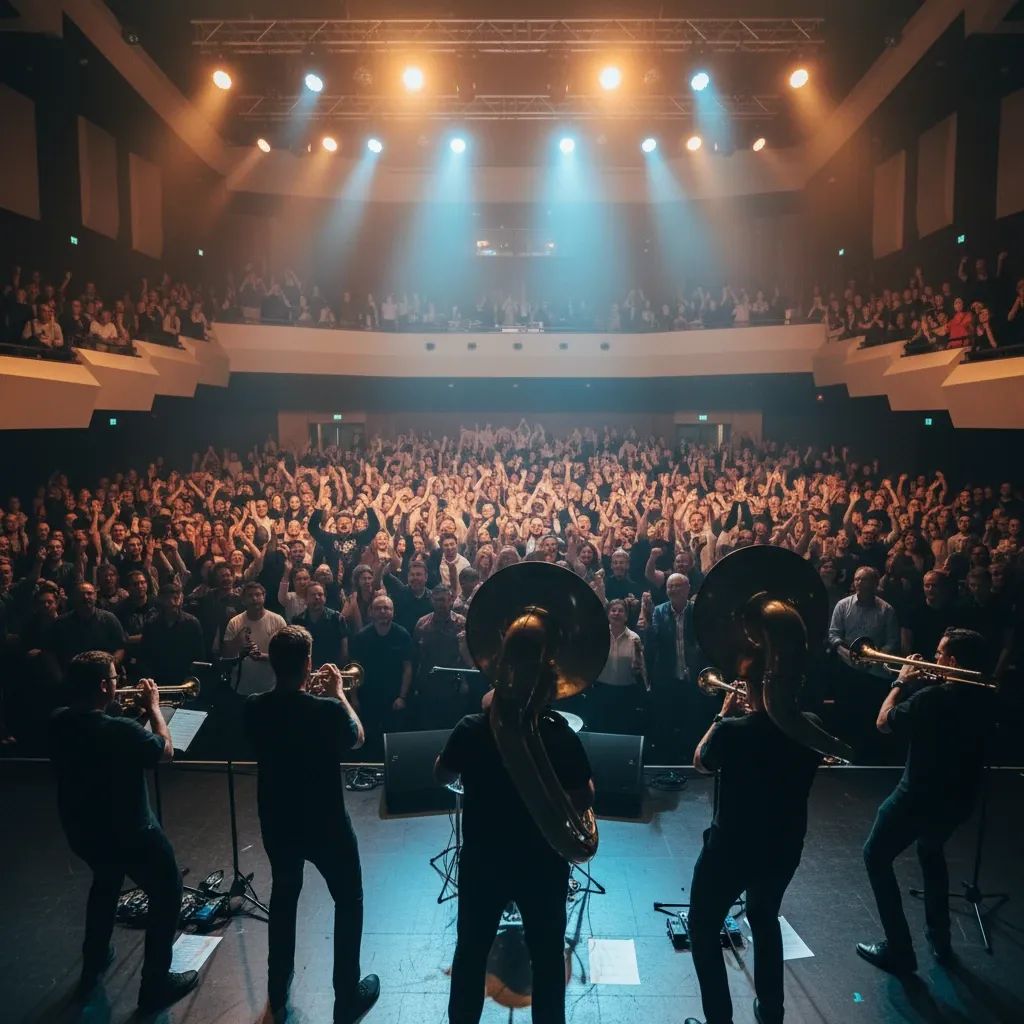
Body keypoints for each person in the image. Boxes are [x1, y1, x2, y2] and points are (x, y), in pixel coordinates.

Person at [434, 684, 594, 1024]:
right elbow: (583, 797)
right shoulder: (557, 733)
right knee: (548, 957)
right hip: (543, 862)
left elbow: (442, 775)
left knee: (471, 953)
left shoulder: (472, 728)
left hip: (483, 861)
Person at [243, 626, 379, 1023]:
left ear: (272, 662)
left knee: (284, 897)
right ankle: (345, 998)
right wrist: (338, 692)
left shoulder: (254, 706)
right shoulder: (329, 709)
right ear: (308, 663)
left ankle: (277, 989)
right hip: (326, 823)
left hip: (277, 820)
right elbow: (357, 738)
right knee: (349, 901)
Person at [48, 651, 198, 1009]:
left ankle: (95, 960)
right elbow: (164, 751)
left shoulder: (58, 721)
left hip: (84, 831)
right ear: (103, 686)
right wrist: (156, 709)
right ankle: (154, 986)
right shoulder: (120, 730)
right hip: (132, 832)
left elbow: (103, 736)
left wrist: (135, 714)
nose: (120, 684)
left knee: (106, 883)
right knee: (167, 893)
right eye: (115, 679)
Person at [684, 680, 822, 1024]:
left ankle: (719, 1020)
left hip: (731, 848)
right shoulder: (812, 725)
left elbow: (701, 762)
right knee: (764, 918)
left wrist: (721, 714)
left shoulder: (733, 730)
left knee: (702, 927)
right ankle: (772, 1010)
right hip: (784, 846)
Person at [858, 628, 994, 973]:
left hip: (917, 796)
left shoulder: (931, 698)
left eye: (938, 654)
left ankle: (900, 950)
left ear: (952, 661)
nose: (933, 660)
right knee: (930, 851)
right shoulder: (985, 697)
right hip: (959, 799)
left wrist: (901, 682)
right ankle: (940, 937)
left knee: (874, 856)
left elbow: (882, 723)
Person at [638, 573, 705, 760]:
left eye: (677, 586)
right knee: (665, 723)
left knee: (692, 723)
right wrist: (648, 620)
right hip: (667, 678)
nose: (673, 590)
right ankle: (667, 761)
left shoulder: (697, 610)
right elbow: (652, 645)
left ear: (688, 588)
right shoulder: (659, 611)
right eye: (670, 586)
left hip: (693, 679)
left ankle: (691, 761)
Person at [349, 593, 414, 756]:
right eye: (379, 608)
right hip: (367, 697)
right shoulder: (361, 637)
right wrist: (354, 698)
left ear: (393, 612)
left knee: (393, 742)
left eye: (387, 608)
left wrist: (402, 697)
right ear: (371, 612)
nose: (383, 611)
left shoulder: (402, 635)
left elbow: (407, 668)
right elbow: (353, 669)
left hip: (393, 698)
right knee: (369, 740)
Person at [592, 598, 648, 734]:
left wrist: (637, 665)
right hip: (601, 691)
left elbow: (640, 671)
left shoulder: (634, 638)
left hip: (626, 693)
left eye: (621, 611)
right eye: (613, 610)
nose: (616, 613)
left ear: (626, 617)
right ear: (608, 614)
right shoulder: (599, 635)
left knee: (622, 730)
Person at [222, 581, 287, 695]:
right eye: (250, 595)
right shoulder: (235, 622)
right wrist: (239, 648)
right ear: (243, 600)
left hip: (270, 687)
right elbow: (226, 655)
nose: (254, 598)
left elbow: (286, 655)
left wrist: (264, 657)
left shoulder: (278, 621)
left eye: (257, 595)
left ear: (264, 596)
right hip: (241, 687)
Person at [140, 582, 205, 685]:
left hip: (184, 677)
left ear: (181, 599)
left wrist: (191, 677)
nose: (172, 603)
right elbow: (145, 655)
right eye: (167, 599)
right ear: (160, 600)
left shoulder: (192, 623)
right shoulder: (152, 624)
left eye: (175, 598)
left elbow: (199, 654)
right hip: (158, 677)